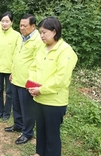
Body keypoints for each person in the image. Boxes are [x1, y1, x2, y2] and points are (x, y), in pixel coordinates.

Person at [28, 17, 78, 156]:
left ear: (54, 31)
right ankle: (39, 153)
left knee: (52, 136)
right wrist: (31, 84)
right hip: (39, 99)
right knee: (41, 132)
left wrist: (41, 89)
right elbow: (33, 67)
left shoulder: (65, 51)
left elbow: (60, 78)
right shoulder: (42, 48)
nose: (41, 36)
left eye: (44, 32)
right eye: (40, 32)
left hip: (54, 102)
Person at [4, 14, 43, 145]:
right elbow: (16, 56)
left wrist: (33, 82)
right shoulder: (21, 38)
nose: (22, 28)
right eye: (20, 25)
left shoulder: (38, 41)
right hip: (16, 78)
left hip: (27, 81)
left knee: (28, 109)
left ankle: (27, 133)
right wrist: (12, 72)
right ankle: (18, 125)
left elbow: (38, 63)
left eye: (24, 26)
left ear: (33, 26)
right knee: (16, 105)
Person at [0, 11, 20, 121]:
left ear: (11, 22)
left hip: (10, 69)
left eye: (7, 21)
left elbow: (17, 53)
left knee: (9, 92)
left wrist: (14, 70)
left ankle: (7, 112)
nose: (4, 24)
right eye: (3, 21)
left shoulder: (16, 35)